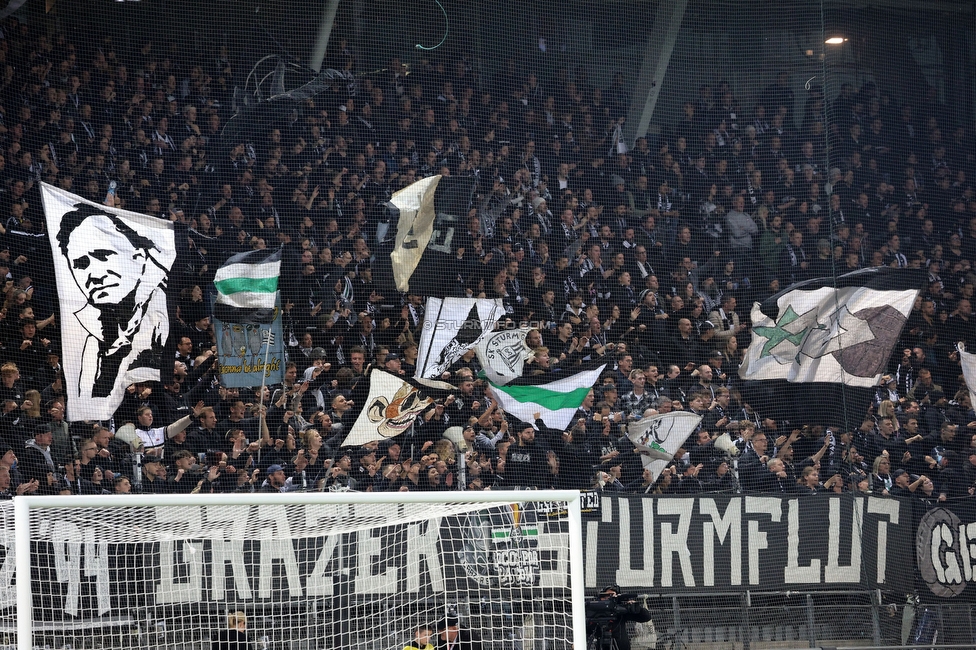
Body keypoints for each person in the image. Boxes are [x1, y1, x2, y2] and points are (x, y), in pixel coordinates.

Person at [54, 203, 177, 418]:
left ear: (139, 258)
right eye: (81, 264)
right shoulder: (86, 333)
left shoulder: (157, 316)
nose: (94, 274)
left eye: (103, 255)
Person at [585, 585, 653, 650]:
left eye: (612, 596)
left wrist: (636, 608)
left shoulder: (620, 612)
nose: (608, 599)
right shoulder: (595, 613)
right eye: (606, 596)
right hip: (601, 645)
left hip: (621, 646)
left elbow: (646, 617)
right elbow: (586, 630)